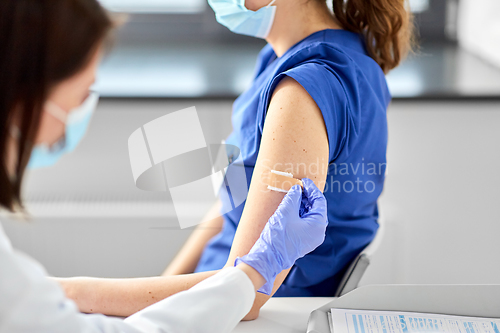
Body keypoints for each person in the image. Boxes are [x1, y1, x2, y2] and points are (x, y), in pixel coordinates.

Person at [57, 0, 415, 320]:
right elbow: (237, 201)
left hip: (237, 312)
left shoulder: (305, 88)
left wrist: (71, 294)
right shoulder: (307, 55)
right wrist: (159, 293)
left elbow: (248, 291)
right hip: (205, 294)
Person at [0, 0, 328, 332]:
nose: (81, 111)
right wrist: (255, 270)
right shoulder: (285, 66)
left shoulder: (302, 81)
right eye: (81, 95)